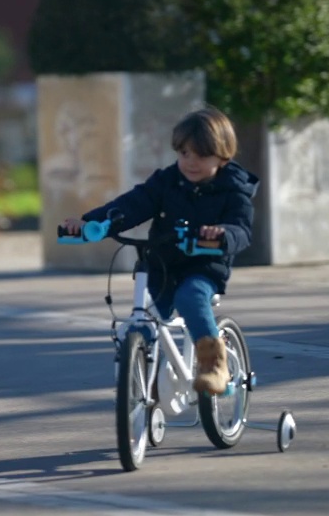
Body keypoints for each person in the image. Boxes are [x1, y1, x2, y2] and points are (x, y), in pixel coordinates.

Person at [59, 106, 259, 395]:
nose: (190, 162)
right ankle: (141, 386)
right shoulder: (166, 182)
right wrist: (92, 224)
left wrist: (223, 235)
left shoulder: (233, 191)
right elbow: (131, 205)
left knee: (190, 298)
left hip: (204, 267)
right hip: (162, 265)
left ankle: (215, 365)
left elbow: (242, 231)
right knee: (142, 322)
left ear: (223, 155)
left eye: (201, 155)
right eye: (183, 153)